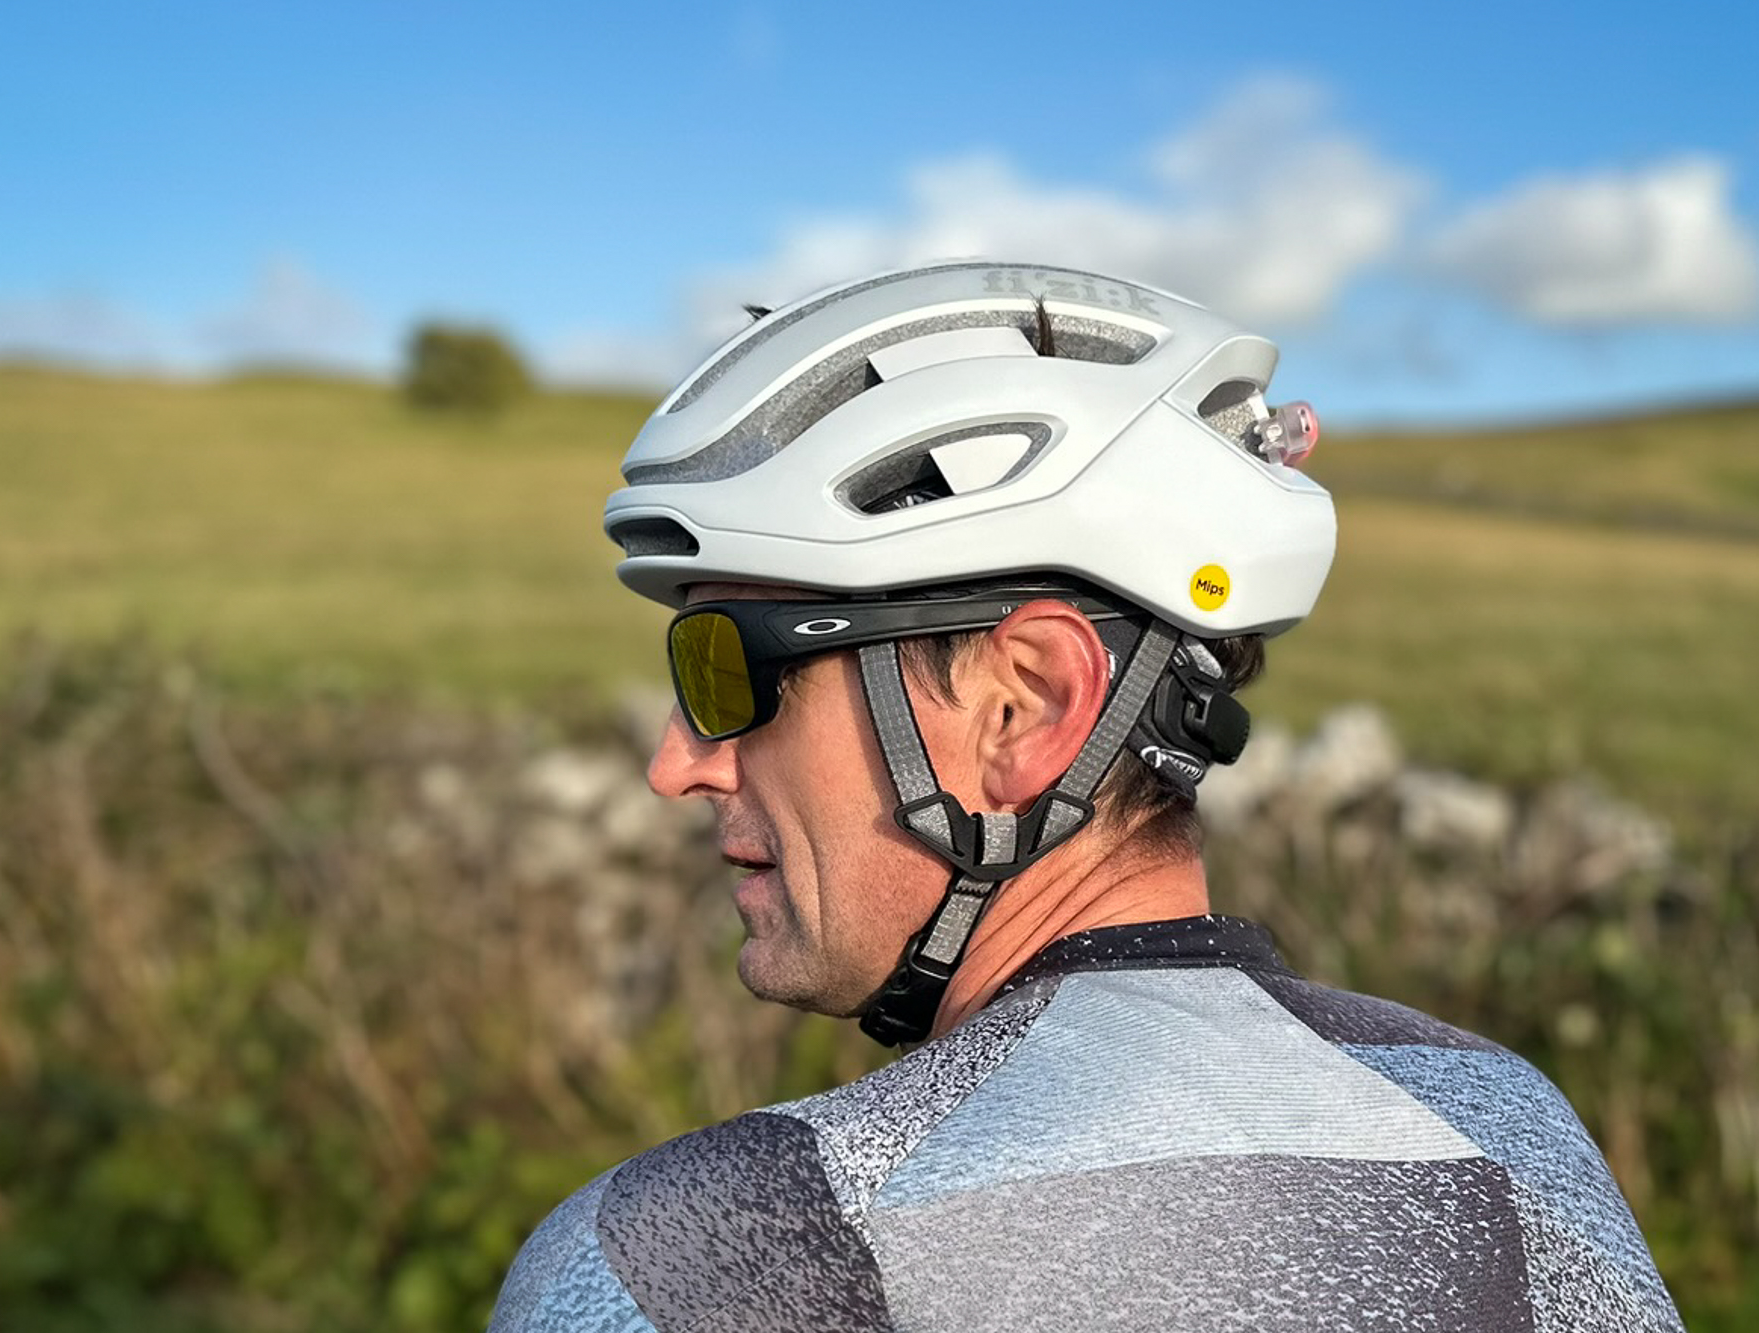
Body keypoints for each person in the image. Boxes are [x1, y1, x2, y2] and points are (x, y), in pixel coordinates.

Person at [489, 261, 1682, 1331]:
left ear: (1026, 706)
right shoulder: (1508, 1124)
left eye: (726, 670)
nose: (678, 761)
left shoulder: (705, 1261)